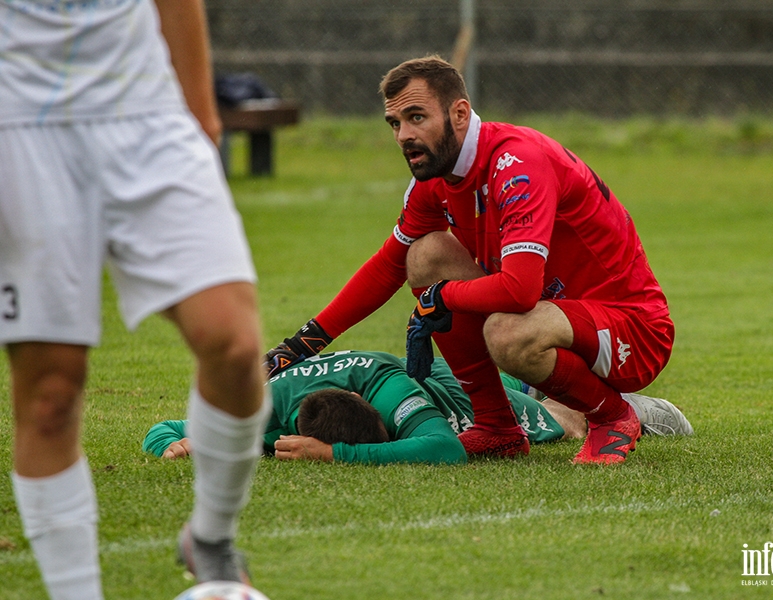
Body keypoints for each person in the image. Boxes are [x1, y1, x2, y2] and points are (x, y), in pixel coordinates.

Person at [264, 55, 675, 466]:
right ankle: (497, 427)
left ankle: (614, 416)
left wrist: (442, 298)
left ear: (459, 113)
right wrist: (300, 344)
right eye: (395, 123)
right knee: (425, 255)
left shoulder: (518, 163)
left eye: (416, 117)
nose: (404, 135)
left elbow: (520, 290)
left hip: (632, 330)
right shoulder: (435, 179)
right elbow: (389, 265)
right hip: (552, 320)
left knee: (507, 331)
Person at [0, 1, 270, 597]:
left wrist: (202, 119)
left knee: (233, 341)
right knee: (51, 391)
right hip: (19, 125)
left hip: (144, 112)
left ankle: (211, 537)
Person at [144, 351, 692, 465]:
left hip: (441, 391)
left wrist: (338, 457)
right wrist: (175, 443)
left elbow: (443, 449)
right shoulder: (260, 411)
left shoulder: (384, 387)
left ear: (366, 404)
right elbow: (165, 428)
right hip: (438, 383)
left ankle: (628, 409)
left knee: (558, 425)